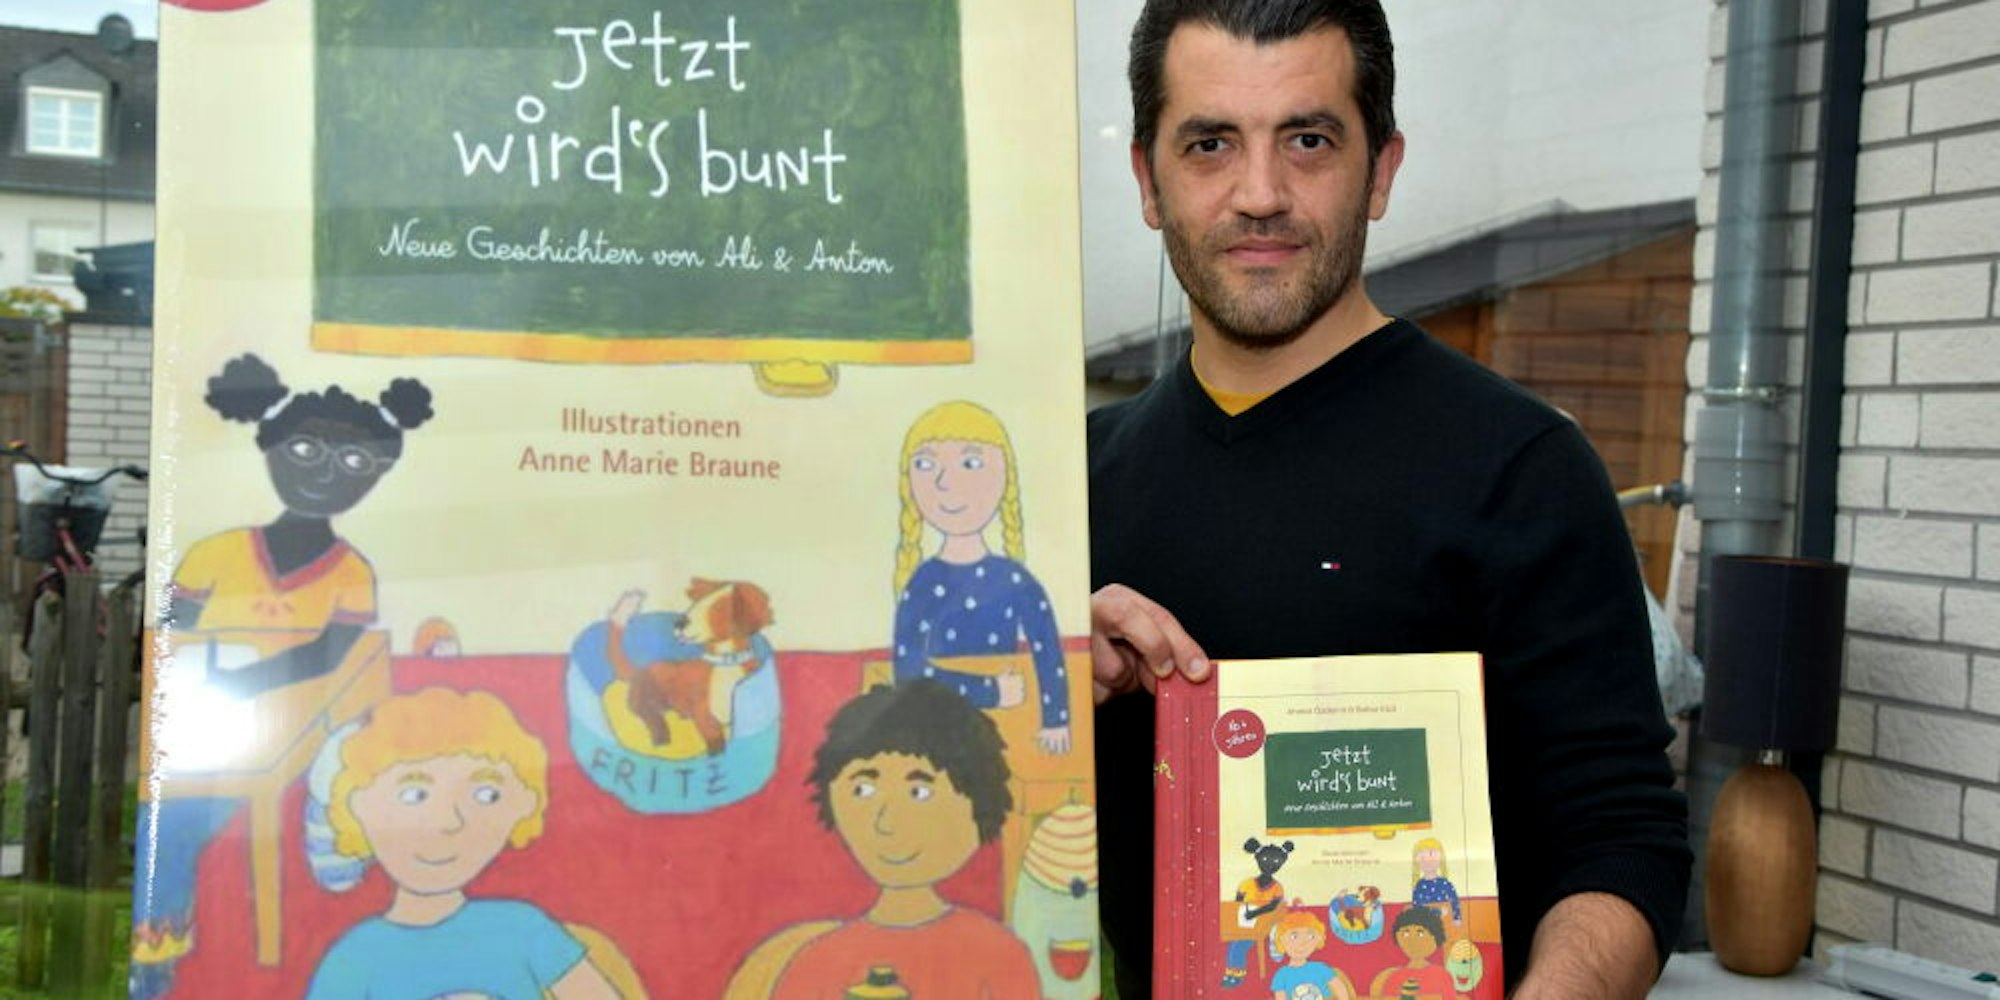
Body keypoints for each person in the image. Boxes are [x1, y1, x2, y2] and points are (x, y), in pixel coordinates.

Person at [1086, 2, 1691, 998]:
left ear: (1381, 170)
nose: (1259, 194)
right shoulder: (1073, 483)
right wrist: (1035, 700)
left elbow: (1620, 838)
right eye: (1209, 144)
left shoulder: (1520, 467)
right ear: (1149, 181)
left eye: (1308, 140)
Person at [131, 354, 435, 999]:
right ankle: (155, 959)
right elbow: (171, 638)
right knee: (175, 816)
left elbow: (329, 657)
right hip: (215, 727)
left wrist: (242, 682)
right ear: (270, 449)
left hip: (303, 728)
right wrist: (204, 690)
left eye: (354, 462)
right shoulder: (215, 554)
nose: (326, 474)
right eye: (304, 450)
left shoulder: (351, 572)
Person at [307, 687, 621, 998]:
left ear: (521, 805)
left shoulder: (522, 928)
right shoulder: (353, 960)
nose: (449, 821)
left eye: (485, 795)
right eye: (413, 795)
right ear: (355, 810)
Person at [750, 680, 1040, 999]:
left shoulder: (1000, 957)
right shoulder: (815, 964)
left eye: (919, 792)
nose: (886, 822)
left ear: (979, 807)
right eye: (863, 790)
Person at [891, 400, 1071, 753]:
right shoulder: (922, 582)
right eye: (926, 464)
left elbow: (1048, 651)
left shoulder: (1016, 580)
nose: (944, 482)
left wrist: (1056, 720)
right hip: (939, 733)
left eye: (971, 463)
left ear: (1005, 478)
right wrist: (990, 690)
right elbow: (908, 673)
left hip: (1006, 733)